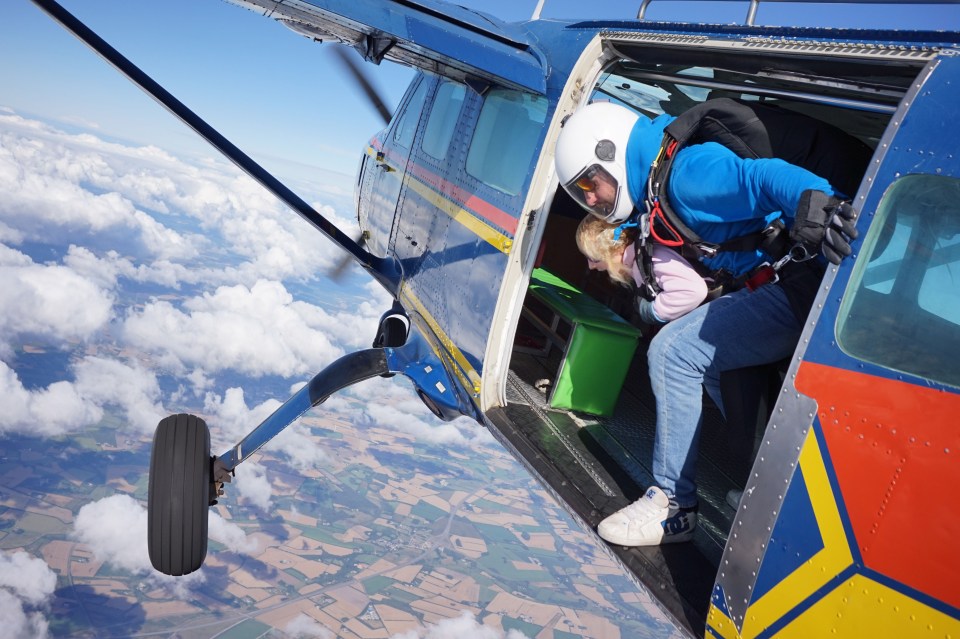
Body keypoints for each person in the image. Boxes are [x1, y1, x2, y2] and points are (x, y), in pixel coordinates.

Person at [554, 101, 858, 546]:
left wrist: (820, 205)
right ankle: (768, 488)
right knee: (713, 360)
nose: (593, 201)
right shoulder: (657, 184)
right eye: (582, 194)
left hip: (801, 281)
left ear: (612, 153)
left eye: (590, 184)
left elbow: (762, 177)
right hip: (785, 280)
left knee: (673, 352)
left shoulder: (685, 175)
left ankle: (673, 505)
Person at [575, 214, 709, 325]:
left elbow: (694, 291)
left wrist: (653, 311)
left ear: (614, 251)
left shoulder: (653, 259)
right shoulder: (637, 262)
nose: (590, 266)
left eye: (594, 259)